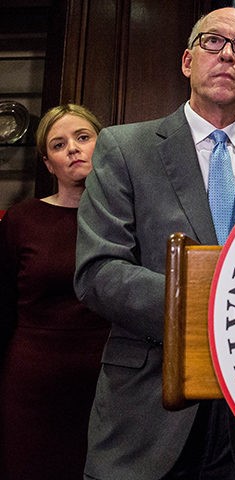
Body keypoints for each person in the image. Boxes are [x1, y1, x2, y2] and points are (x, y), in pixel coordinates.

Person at [74, 7, 235, 480]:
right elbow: (98, 272)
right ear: (187, 61)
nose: (226, 56)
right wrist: (210, 306)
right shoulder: (122, 148)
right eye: (213, 42)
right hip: (148, 410)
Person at [0, 104, 110, 479]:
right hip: (33, 383)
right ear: (49, 164)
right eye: (59, 145)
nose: (74, 149)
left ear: (104, 143)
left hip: (109, 383)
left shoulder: (127, 218)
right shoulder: (22, 220)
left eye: (83, 137)